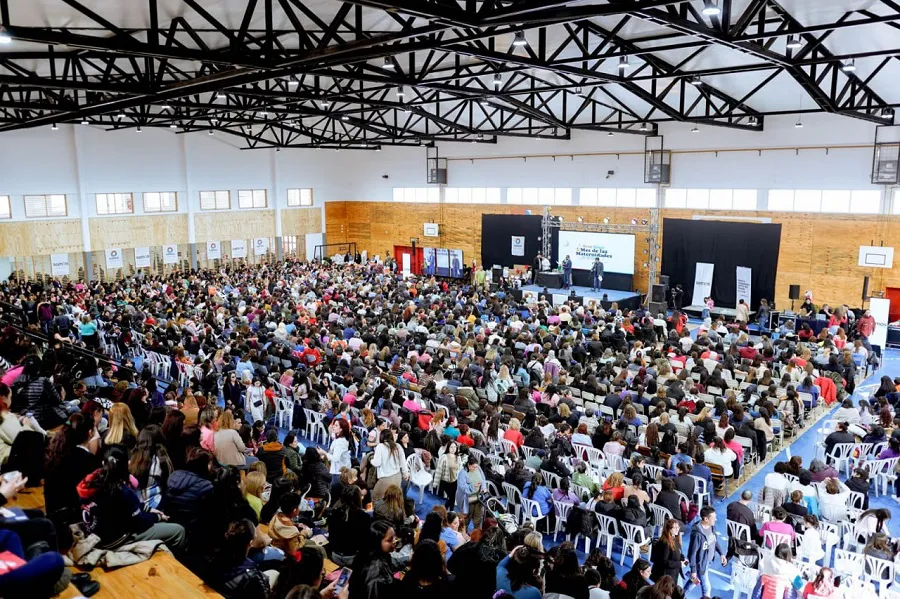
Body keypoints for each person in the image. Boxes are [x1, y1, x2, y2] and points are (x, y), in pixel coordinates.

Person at [77, 445, 186, 552]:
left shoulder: (89, 483)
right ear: (126, 465)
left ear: (103, 463)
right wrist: (157, 516)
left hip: (94, 535)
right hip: (114, 541)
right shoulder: (122, 490)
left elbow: (127, 507)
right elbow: (139, 522)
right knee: (178, 530)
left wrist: (149, 509)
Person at [349, 521, 399, 599]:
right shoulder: (376, 569)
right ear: (377, 542)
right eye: (389, 540)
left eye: (394, 537)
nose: (394, 541)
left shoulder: (366, 554)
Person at [685, 506, 726, 598]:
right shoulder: (697, 535)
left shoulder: (712, 527)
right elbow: (692, 553)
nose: (715, 519)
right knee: (707, 588)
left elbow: (714, 541)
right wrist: (693, 570)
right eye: (713, 517)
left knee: (694, 581)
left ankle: (681, 595)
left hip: (708, 561)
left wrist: (721, 554)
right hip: (701, 564)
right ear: (706, 519)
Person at [371, 428, 408, 501]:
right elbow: (403, 462)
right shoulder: (398, 446)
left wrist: (371, 460)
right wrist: (405, 474)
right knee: (393, 499)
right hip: (397, 477)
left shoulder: (380, 446)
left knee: (375, 498)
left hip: (386, 478)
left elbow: (377, 463)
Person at [650, 518, 685, 584]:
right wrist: (679, 564)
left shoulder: (674, 537)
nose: (677, 529)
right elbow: (664, 562)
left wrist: (681, 557)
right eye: (674, 528)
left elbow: (675, 551)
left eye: (678, 527)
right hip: (666, 576)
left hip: (673, 572)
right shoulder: (665, 543)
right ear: (669, 529)